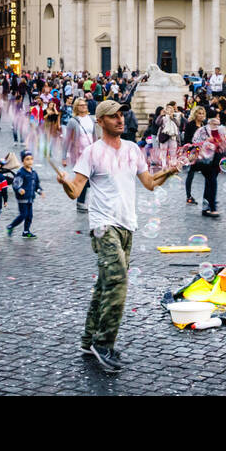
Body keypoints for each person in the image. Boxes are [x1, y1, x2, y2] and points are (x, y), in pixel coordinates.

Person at [54, 99, 178, 373]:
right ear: (100, 121)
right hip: (103, 225)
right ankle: (103, 343)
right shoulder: (92, 153)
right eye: (113, 116)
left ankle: (88, 340)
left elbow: (148, 184)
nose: (121, 120)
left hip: (127, 225)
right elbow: (76, 191)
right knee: (118, 281)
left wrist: (168, 172)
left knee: (105, 285)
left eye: (122, 115)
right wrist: (65, 183)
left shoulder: (133, 149)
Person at [7, 151, 41, 238]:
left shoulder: (34, 173)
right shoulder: (21, 173)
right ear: (23, 161)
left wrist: (39, 190)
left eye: (31, 159)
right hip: (22, 198)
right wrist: (19, 189)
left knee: (30, 216)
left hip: (30, 198)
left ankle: (26, 231)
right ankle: (11, 226)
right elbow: (15, 184)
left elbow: (36, 184)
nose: (30, 161)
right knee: (23, 214)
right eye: (27, 159)